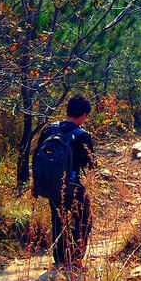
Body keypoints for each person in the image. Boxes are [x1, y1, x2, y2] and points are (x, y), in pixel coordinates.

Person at [33, 95, 95, 269]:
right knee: (84, 218)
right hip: (72, 186)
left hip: (50, 185)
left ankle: (59, 259)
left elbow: (36, 156)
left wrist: (35, 183)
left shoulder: (49, 130)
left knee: (58, 220)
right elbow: (91, 164)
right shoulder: (82, 135)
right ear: (83, 115)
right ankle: (75, 259)